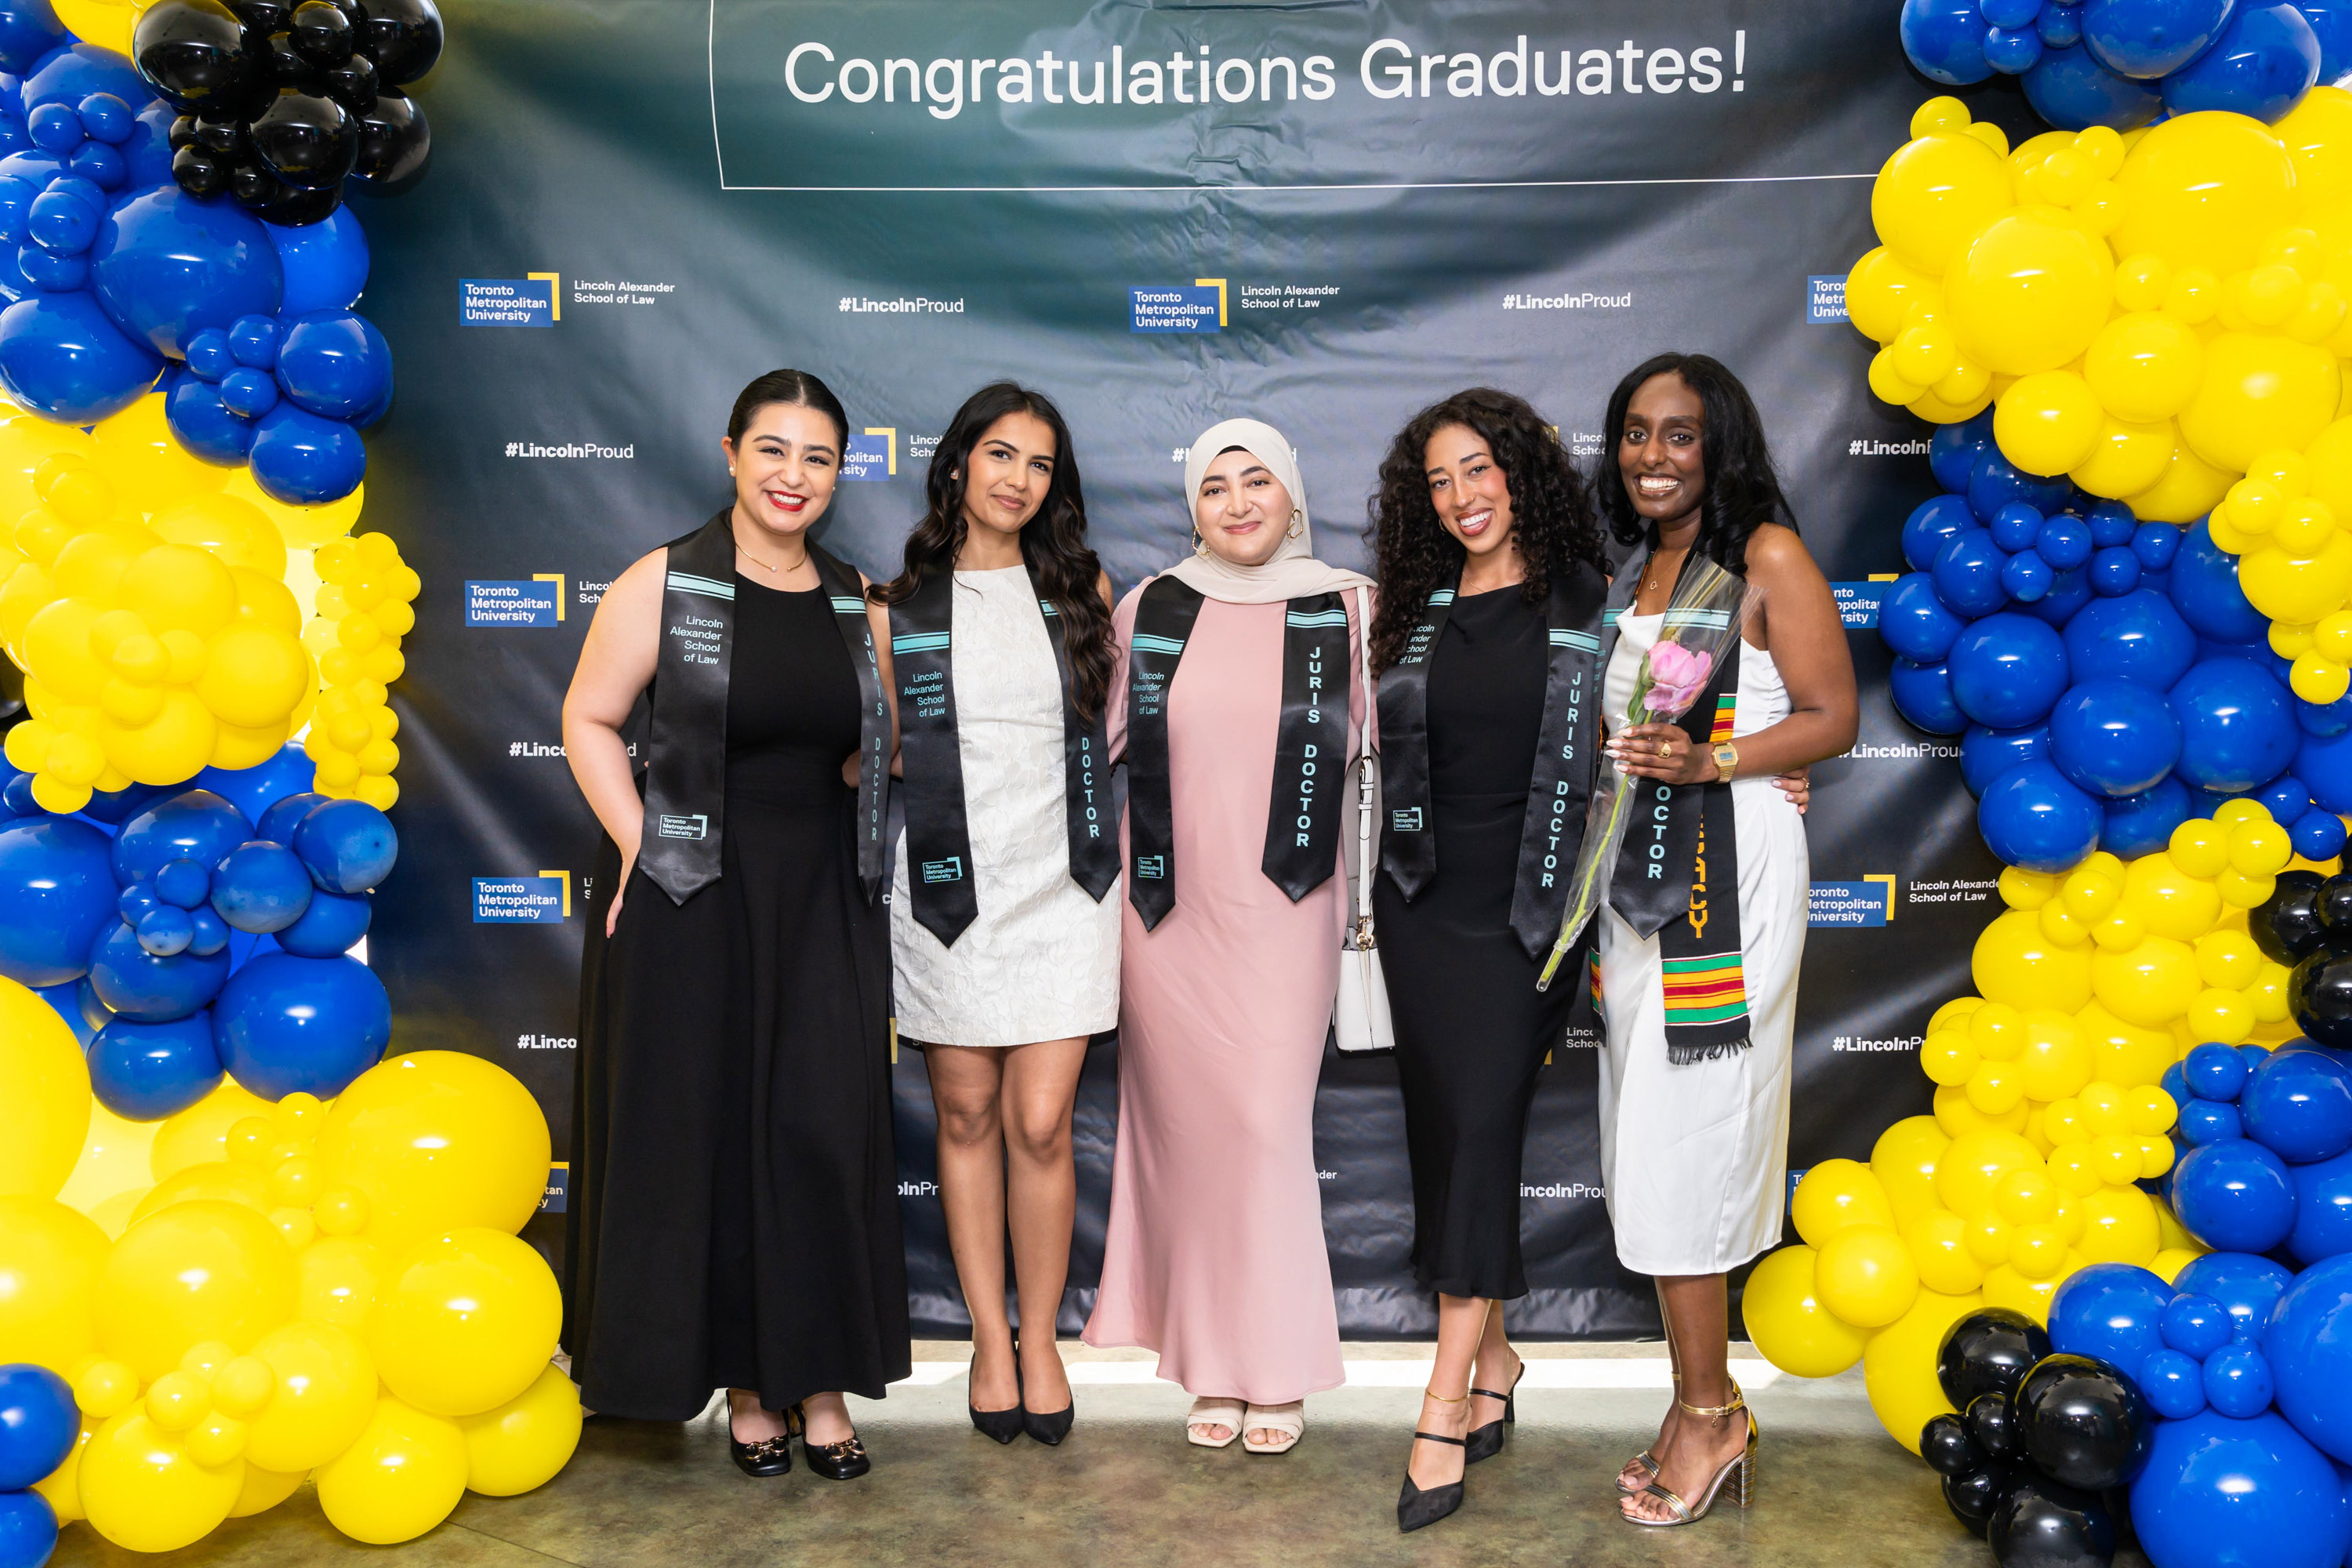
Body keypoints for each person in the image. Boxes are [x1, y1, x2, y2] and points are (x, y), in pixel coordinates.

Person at [560, 368, 908, 1483]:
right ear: (730, 453)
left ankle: (820, 1381)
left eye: (816, 456)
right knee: (711, 1139)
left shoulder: (860, 598)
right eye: (773, 450)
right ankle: (750, 1390)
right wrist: (634, 844)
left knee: (816, 1128)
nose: (792, 475)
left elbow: (871, 749)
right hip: (690, 899)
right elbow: (590, 718)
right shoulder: (666, 581)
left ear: (839, 471)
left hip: (822, 901)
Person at [1592, 353, 1856, 1529]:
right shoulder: (1632, 569)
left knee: (1685, 1133)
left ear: (1722, 446)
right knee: (1645, 1141)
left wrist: (1722, 761)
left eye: (1680, 436)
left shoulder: (1764, 559)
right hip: (1637, 876)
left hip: (1725, 875)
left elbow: (1831, 717)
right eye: (1636, 434)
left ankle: (1711, 1412)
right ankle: (1698, 1400)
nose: (1653, 456)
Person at [1081, 418, 1370, 1458]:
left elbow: (1409, 752)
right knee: (1193, 1144)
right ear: (1192, 507)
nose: (1239, 502)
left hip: (1292, 914)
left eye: (1258, 481)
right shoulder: (1151, 608)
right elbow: (1082, 747)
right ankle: (1211, 1364)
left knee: (1263, 1128)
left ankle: (1277, 1365)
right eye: (1216, 486)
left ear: (1293, 493)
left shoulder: (1349, 607)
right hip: (1168, 920)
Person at [1364, 388, 1612, 1531]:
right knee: (1443, 1132)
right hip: (1420, 902)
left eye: (1480, 471)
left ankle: (1441, 1400)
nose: (1462, 498)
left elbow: (1667, 725)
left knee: (1482, 1131)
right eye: (1439, 481)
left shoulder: (1586, 603)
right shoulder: (1410, 613)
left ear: (1521, 472)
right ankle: (1500, 1359)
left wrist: (1766, 766)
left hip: (1530, 910)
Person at [871, 383, 1118, 1447]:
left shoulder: (1083, 592)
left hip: (1063, 889)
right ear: (960, 462)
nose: (1019, 478)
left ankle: (1045, 1339)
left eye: (1040, 464)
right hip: (944, 887)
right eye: (1001, 455)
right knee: (965, 1119)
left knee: (1039, 1121)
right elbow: (877, 758)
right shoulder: (900, 603)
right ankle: (988, 1339)